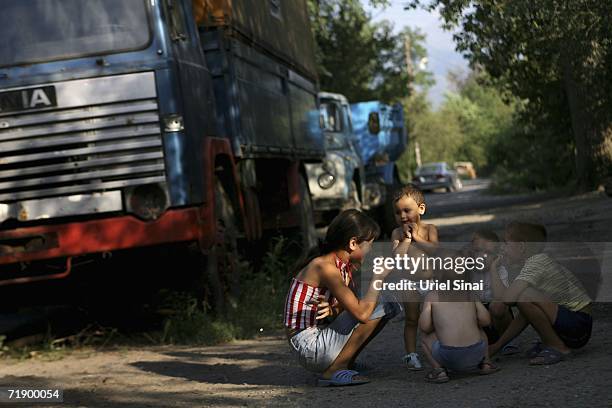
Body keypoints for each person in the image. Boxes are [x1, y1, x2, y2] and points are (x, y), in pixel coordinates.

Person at [284, 209, 400, 386]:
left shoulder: (343, 266)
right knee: (380, 302)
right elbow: (361, 314)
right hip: (309, 347)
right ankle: (335, 369)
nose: (372, 249)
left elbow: (349, 307)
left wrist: (331, 309)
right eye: (370, 244)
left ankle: (348, 361)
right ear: (353, 243)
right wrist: (377, 278)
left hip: (318, 340)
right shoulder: (325, 267)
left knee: (388, 302)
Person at [488, 222, 593, 365]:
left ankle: (557, 347)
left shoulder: (537, 263)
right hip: (572, 324)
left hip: (579, 326)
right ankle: (551, 342)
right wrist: (497, 346)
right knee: (525, 298)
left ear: (522, 246)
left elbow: (507, 299)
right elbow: (519, 311)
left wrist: (494, 269)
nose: (503, 249)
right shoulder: (533, 263)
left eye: (506, 243)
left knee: (524, 296)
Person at [390, 186, 438, 371]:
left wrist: (417, 237)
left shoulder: (430, 229)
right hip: (409, 283)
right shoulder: (397, 234)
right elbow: (396, 257)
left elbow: (435, 251)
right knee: (412, 319)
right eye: (397, 212)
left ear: (421, 209)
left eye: (407, 210)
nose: (402, 216)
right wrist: (407, 240)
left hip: (430, 282)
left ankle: (438, 348)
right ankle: (411, 354)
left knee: (433, 317)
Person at [419, 288, 499, 383]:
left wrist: (437, 325)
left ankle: (438, 371)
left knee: (424, 336)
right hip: (476, 354)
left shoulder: (431, 296)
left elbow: (424, 327)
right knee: (480, 329)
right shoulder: (470, 293)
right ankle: (486, 363)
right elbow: (486, 321)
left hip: (449, 357)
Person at [467, 230, 519, 354]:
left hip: (497, 319)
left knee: (498, 305)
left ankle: (506, 341)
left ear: (496, 256)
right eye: (477, 251)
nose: (482, 257)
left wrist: (493, 269)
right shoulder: (465, 269)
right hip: (477, 317)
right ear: (470, 252)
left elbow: (501, 297)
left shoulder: (500, 270)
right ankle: (471, 344)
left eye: (488, 253)